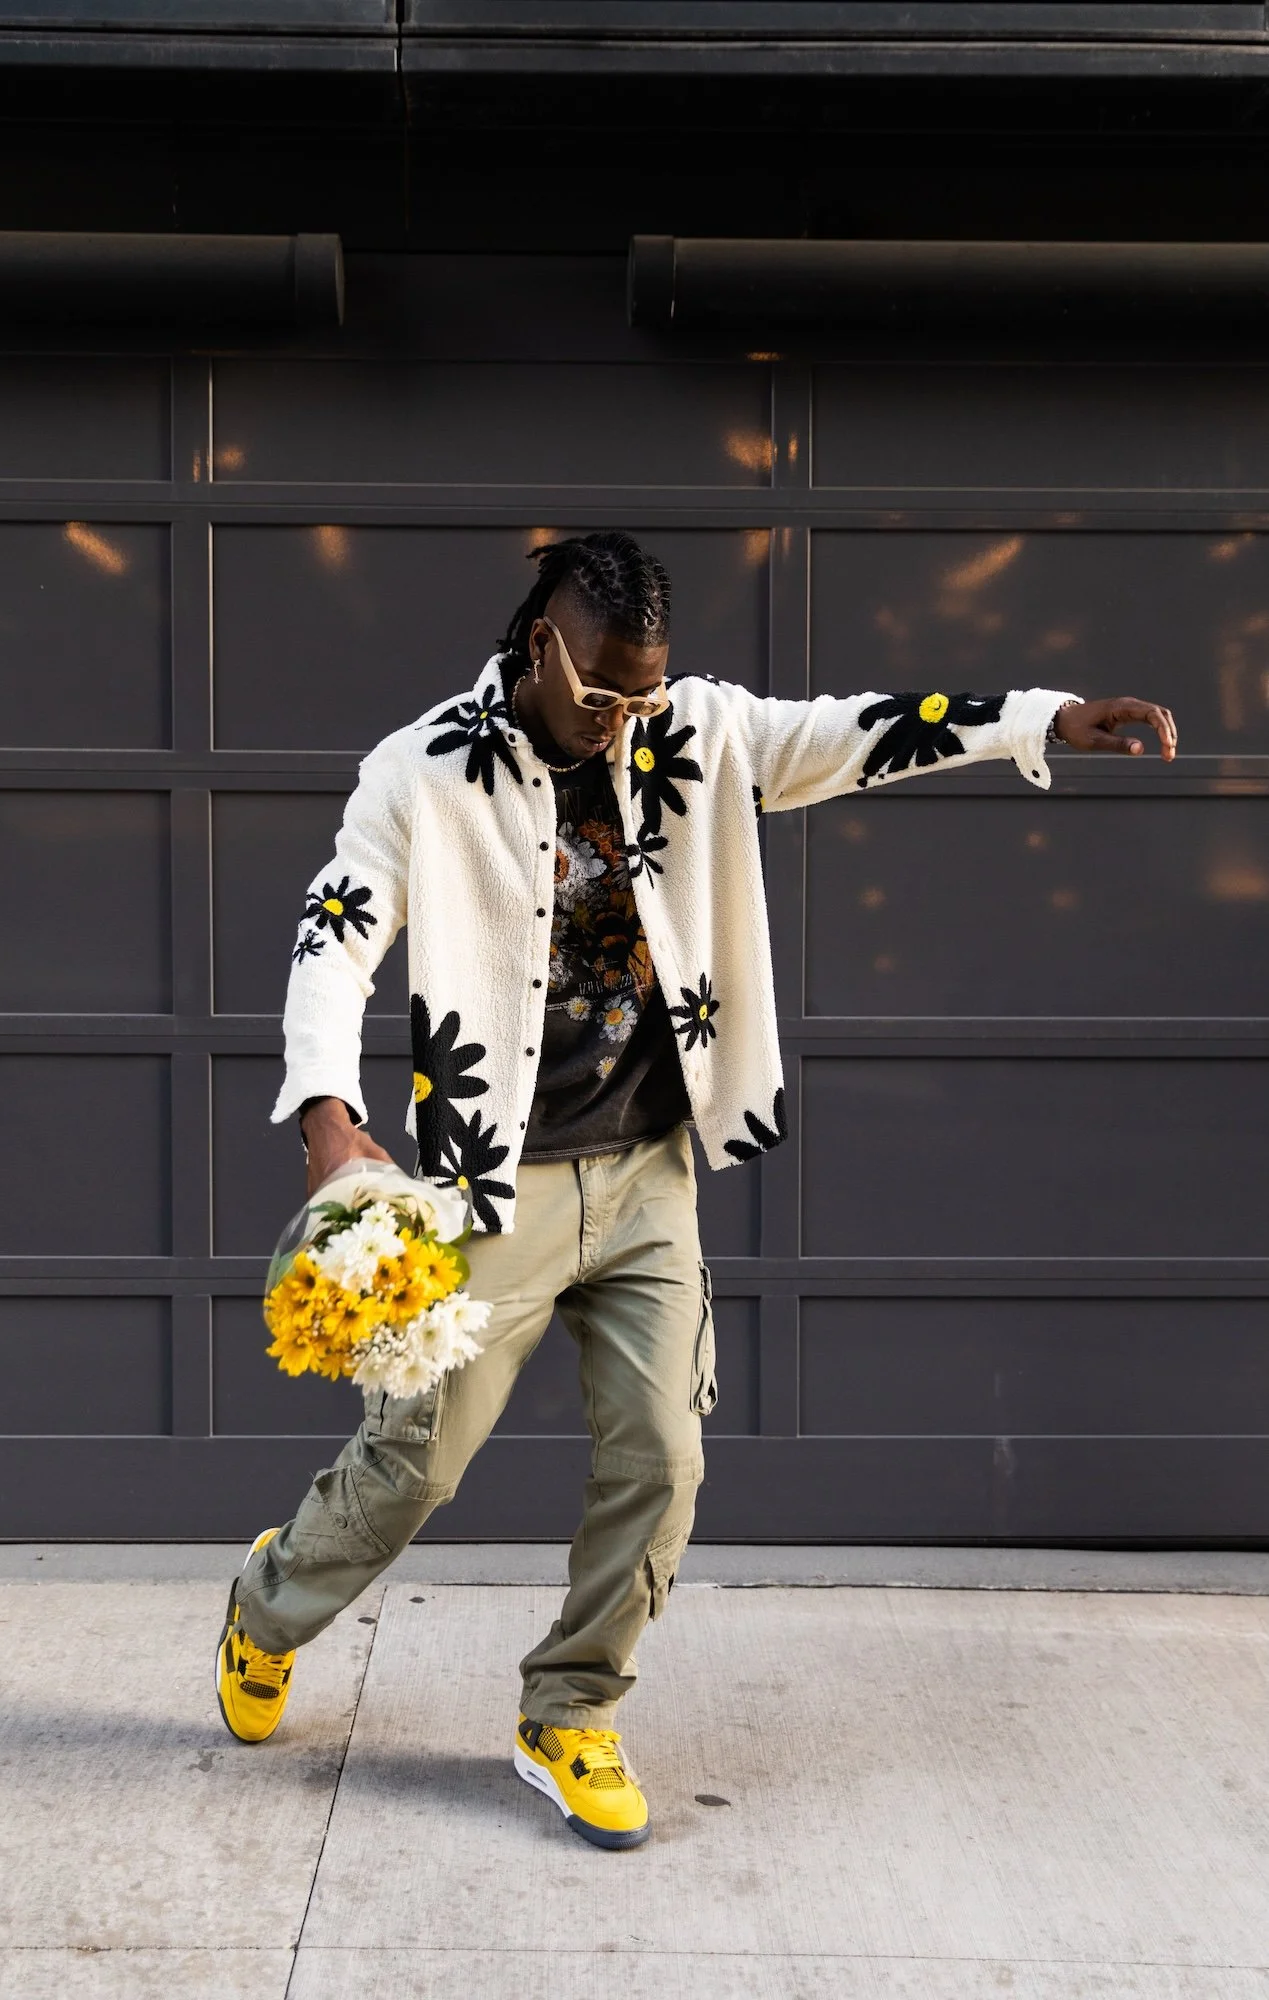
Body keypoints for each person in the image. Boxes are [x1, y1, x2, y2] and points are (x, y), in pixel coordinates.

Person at [215, 530, 1177, 1849]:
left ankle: (573, 1708)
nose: (628, 717)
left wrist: (1043, 717)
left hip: (655, 1173)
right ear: (544, 642)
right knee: (417, 1464)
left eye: (647, 693)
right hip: (501, 1189)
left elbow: (862, 731)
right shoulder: (425, 770)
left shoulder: (695, 732)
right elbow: (334, 938)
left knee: (665, 1460)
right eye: (605, 693)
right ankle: (270, 1606)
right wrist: (330, 1117)